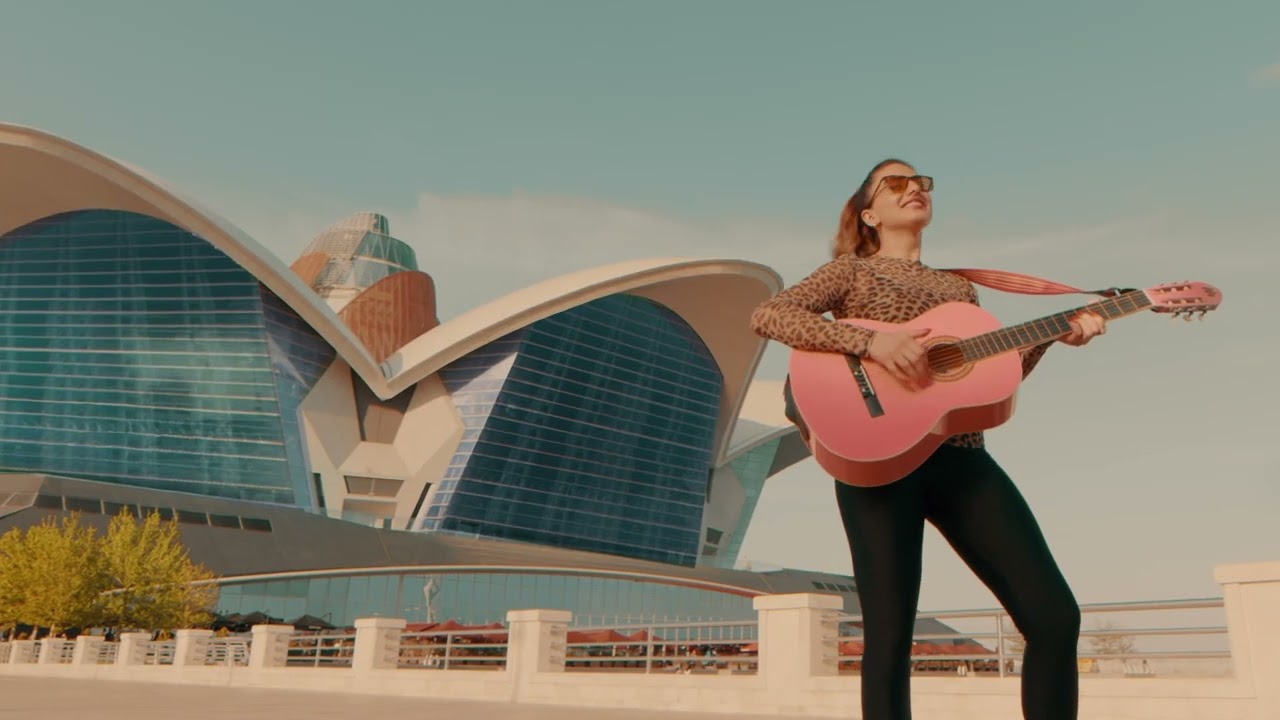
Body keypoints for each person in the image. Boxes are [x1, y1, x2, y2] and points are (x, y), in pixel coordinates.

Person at [749, 159, 1106, 720]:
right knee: (889, 636)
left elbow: (981, 381)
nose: (914, 187)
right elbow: (770, 314)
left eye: (921, 182)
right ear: (870, 212)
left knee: (1055, 617)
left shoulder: (957, 288)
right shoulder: (849, 272)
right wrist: (872, 345)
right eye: (896, 183)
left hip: (961, 460)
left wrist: (1058, 335)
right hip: (876, 459)